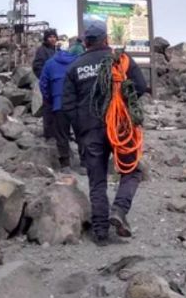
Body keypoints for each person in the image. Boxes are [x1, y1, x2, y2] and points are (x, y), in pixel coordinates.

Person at [62, 23, 147, 246]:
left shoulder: (75, 68)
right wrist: (125, 105)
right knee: (132, 171)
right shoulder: (121, 60)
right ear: (106, 40)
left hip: (90, 131)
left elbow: (67, 105)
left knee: (97, 180)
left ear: (86, 42)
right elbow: (140, 85)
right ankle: (119, 209)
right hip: (120, 126)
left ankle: (100, 233)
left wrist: (80, 130)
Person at [39, 44, 83, 171]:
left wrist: (50, 99)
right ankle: (84, 164)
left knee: (61, 135)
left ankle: (65, 165)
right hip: (77, 104)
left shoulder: (50, 63)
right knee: (81, 134)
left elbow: (43, 84)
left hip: (59, 104)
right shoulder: (79, 62)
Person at [33, 29, 59, 140]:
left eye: (54, 37)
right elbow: (37, 67)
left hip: (58, 85)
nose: (52, 39)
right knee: (48, 108)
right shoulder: (42, 50)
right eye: (50, 37)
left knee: (58, 109)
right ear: (46, 38)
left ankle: (58, 133)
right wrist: (45, 79)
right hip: (48, 85)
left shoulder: (57, 50)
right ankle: (48, 134)